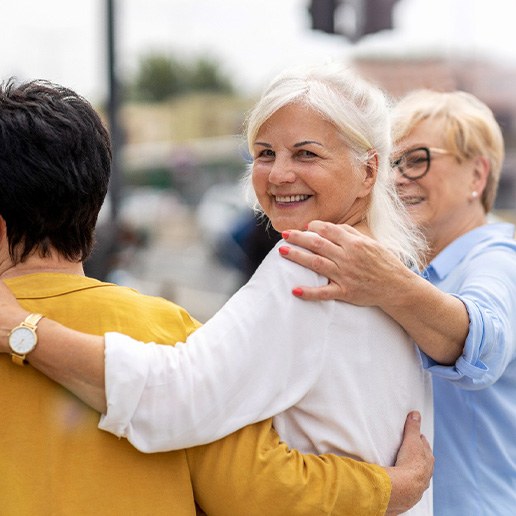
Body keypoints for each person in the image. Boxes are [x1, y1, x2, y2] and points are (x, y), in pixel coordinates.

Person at [0, 70, 434, 514]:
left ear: (369, 169)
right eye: (265, 153)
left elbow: (173, 399)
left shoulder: (308, 265)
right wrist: (391, 488)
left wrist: (23, 329)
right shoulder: (388, 274)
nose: (279, 173)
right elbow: (248, 487)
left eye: (305, 154)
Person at [277, 89, 516, 515]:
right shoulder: (415, 268)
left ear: (477, 177)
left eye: (419, 159)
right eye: (391, 162)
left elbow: (486, 341)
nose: (399, 177)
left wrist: (388, 283)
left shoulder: (497, 258)